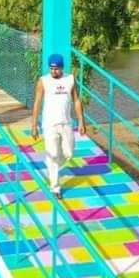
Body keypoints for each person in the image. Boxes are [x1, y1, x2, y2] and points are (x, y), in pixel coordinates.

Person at [30, 53, 86, 199]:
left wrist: (81, 121)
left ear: (62, 67)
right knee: (53, 155)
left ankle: (51, 163)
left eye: (56, 69)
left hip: (66, 123)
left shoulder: (70, 79)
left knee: (69, 153)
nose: (54, 71)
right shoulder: (43, 81)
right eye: (51, 68)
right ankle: (55, 188)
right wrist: (34, 124)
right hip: (49, 124)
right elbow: (37, 103)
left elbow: (77, 101)